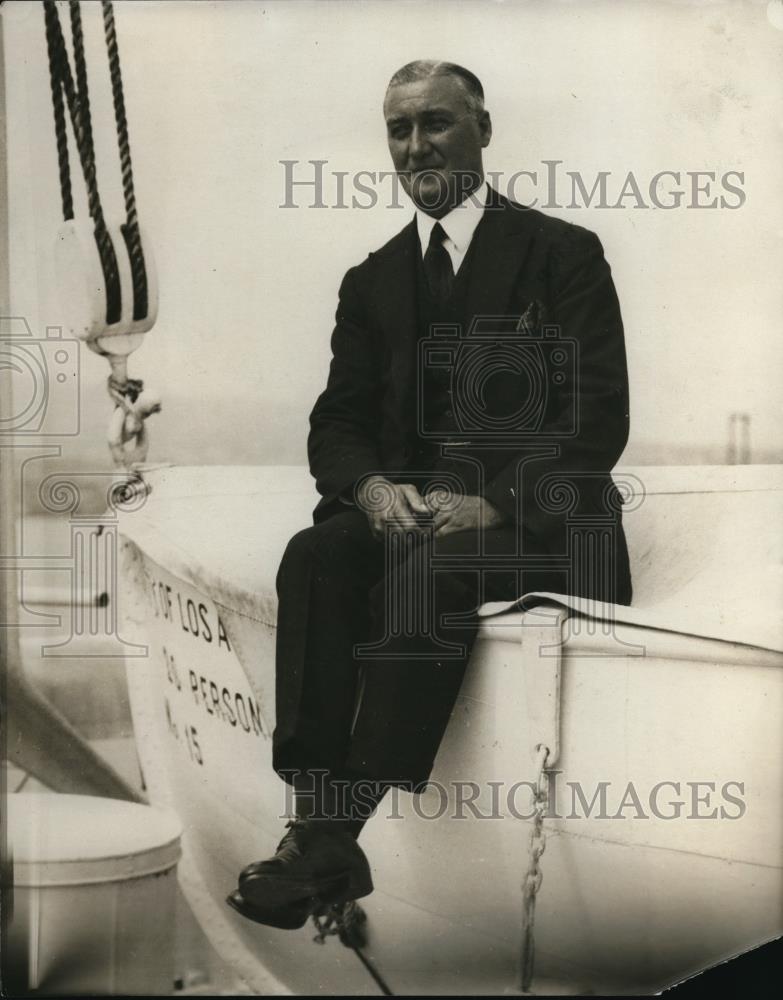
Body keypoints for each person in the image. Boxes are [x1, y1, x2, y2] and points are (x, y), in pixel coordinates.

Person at [228, 60, 632, 928]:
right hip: (414, 520)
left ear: (482, 128)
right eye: (399, 129)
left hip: (545, 522)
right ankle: (313, 816)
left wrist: (492, 501)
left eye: (437, 123)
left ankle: (331, 833)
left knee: (435, 566)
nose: (417, 145)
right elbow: (336, 423)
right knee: (317, 553)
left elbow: (596, 418)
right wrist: (372, 490)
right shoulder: (370, 281)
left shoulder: (563, 254)